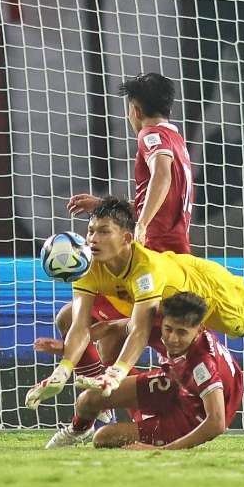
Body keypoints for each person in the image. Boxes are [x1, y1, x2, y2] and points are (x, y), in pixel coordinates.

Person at [25, 196, 244, 415]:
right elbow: (79, 325)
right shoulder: (89, 267)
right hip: (160, 298)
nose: (93, 239)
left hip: (205, 287)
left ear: (127, 238)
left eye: (103, 232)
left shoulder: (146, 270)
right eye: (90, 231)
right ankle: (102, 407)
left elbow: (140, 328)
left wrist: (118, 373)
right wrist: (62, 372)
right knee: (80, 320)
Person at [36, 73, 195, 385]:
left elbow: (161, 175)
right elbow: (163, 194)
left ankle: (145, 403)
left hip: (154, 260)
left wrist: (143, 226)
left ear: (134, 109)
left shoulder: (151, 136)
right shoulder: (176, 138)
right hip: (174, 257)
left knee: (73, 319)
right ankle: (110, 398)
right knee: (110, 339)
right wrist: (105, 205)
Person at [47, 292, 244, 450]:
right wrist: (66, 348)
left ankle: (159, 434)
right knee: (88, 400)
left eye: (182, 332)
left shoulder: (202, 364)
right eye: (169, 329)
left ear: (199, 330)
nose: (172, 339)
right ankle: (77, 430)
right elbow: (111, 327)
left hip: (192, 415)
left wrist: (163, 451)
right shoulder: (157, 324)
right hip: (176, 384)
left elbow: (217, 423)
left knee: (103, 437)